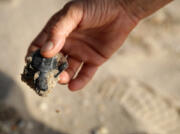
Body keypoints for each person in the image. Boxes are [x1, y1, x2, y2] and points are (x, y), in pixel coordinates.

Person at [26, 0, 173, 91]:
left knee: (55, 64)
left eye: (41, 85)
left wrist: (124, 7)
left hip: (47, 61)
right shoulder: (44, 71)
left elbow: (57, 65)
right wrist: (125, 7)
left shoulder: (50, 70)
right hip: (44, 62)